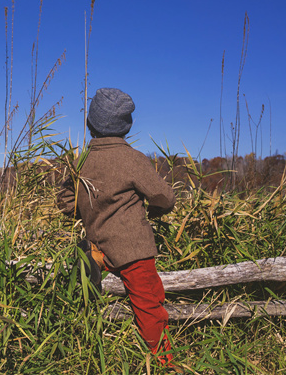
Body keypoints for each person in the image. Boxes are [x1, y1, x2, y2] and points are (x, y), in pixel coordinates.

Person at [57, 87, 177, 366]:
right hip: (133, 250)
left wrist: (87, 208)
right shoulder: (133, 159)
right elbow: (166, 198)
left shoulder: (81, 162)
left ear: (90, 124)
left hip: (101, 240)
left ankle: (95, 258)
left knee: (101, 260)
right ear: (127, 126)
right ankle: (165, 363)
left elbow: (64, 201)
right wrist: (151, 211)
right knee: (150, 305)